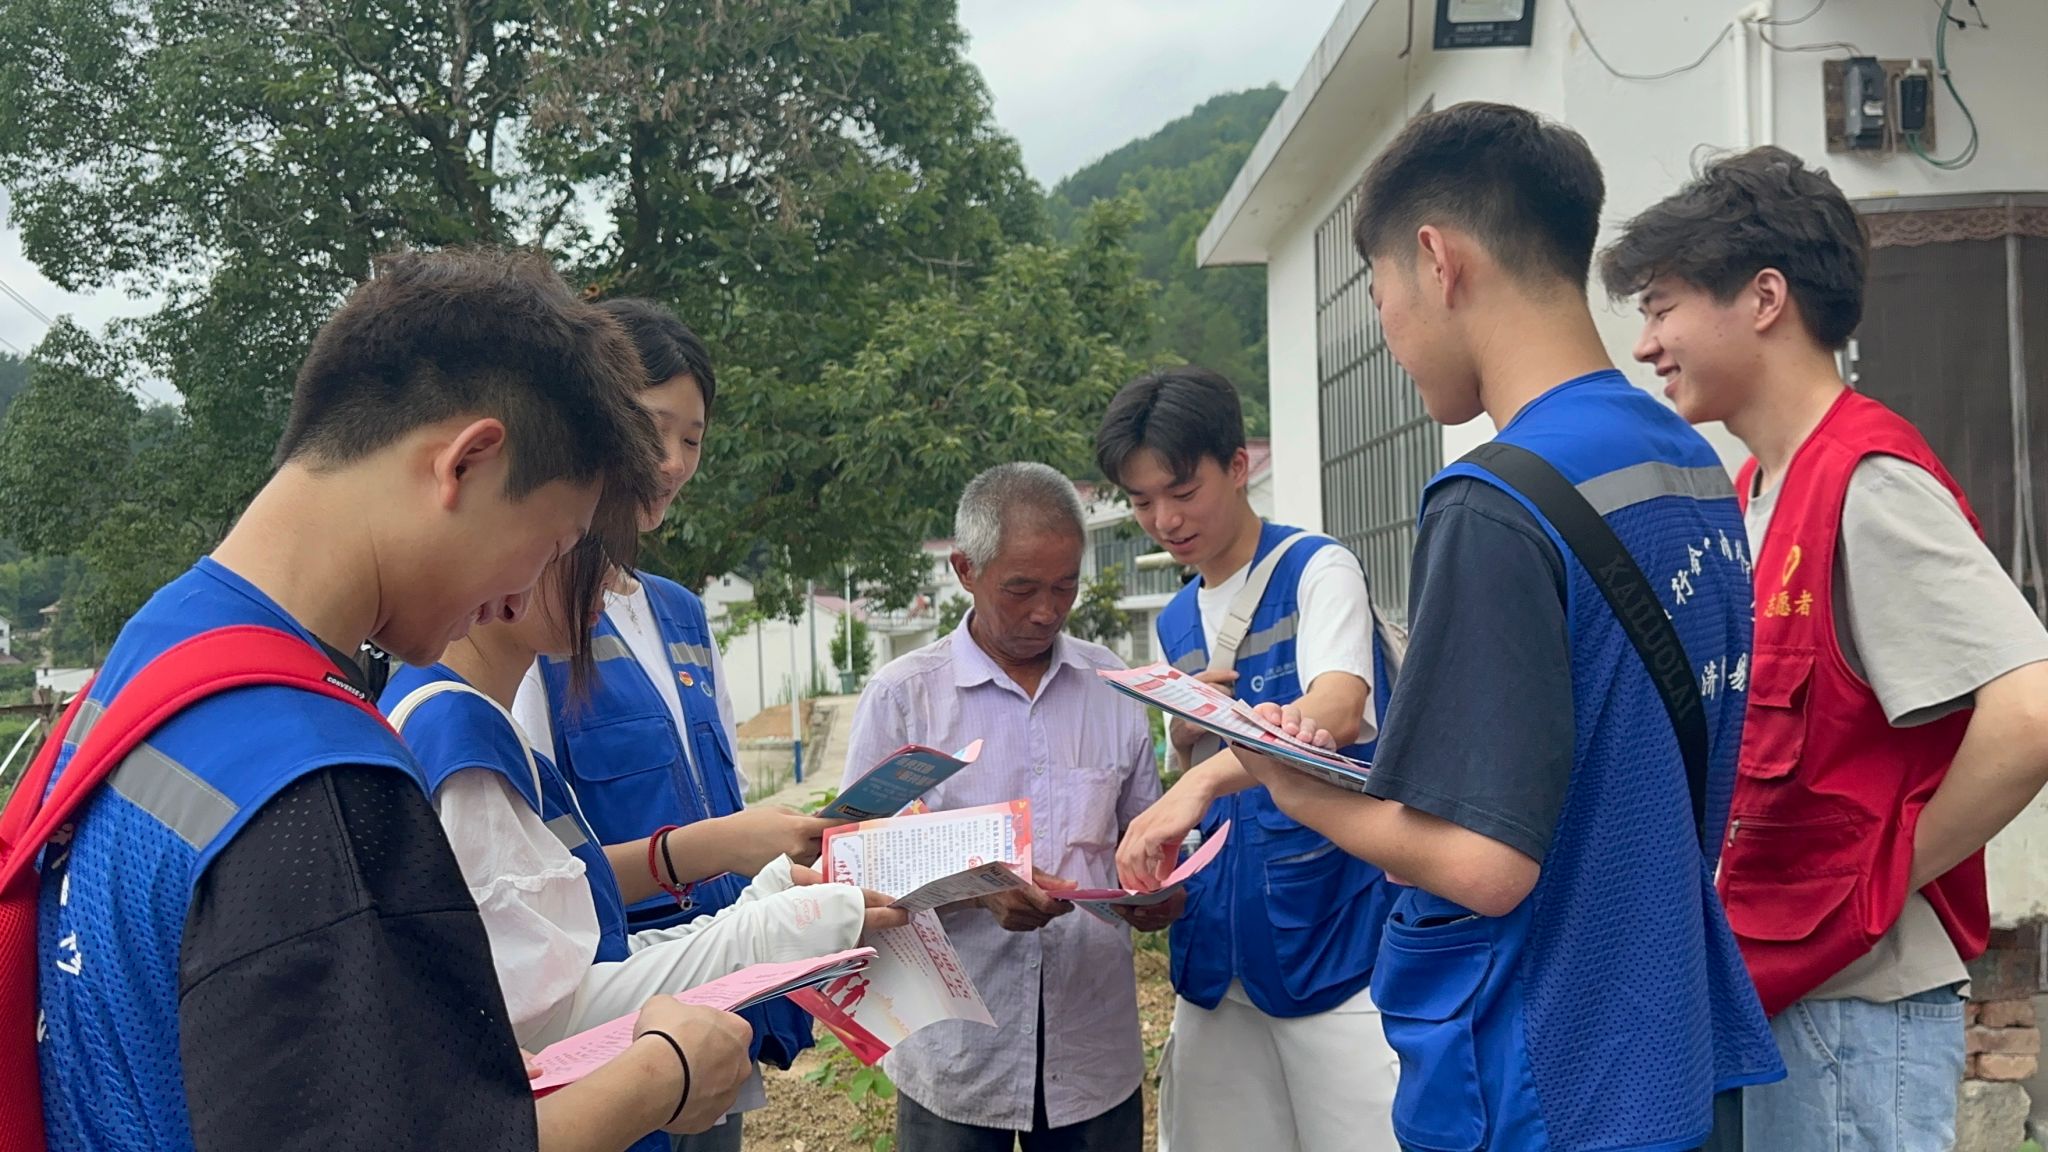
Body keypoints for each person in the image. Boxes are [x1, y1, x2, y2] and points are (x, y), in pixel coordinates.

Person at [1117, 102, 1785, 1152]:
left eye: (1378, 293)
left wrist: (1292, 783)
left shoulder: (1495, 501)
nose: (1387, 330)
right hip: (1667, 1040)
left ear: (1436, 260)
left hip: (1537, 1068)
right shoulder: (1686, 459)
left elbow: (1483, 863)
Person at [32, 248, 753, 1152]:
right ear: (468, 463)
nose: (521, 596)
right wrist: (662, 1076)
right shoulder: (321, 792)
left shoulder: (162, 646)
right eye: (553, 544)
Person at [1601, 146, 2048, 1152]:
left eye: (1662, 307)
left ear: (1764, 298)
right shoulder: (1756, 494)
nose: (1646, 344)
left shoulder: (1866, 483)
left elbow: (2029, 712)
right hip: (1784, 990)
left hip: (1855, 1009)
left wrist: (1877, 885)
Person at [382, 536, 906, 1063]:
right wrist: (777, 929)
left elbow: (589, 968)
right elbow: (550, 1028)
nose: (610, 578)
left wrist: (764, 906)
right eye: (577, 539)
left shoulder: (473, 724)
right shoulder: (464, 742)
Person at [512, 297, 831, 1148]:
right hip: (608, 1033)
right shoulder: (525, 625)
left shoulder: (682, 615)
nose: (673, 461)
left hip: (722, 1002)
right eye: (655, 429)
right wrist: (719, 846)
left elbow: (720, 793)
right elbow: (538, 879)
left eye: (693, 439)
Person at [1092, 366, 1400, 1152]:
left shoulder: (1317, 569)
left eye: (1182, 491)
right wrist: (1186, 746)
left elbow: (1338, 709)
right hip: (1218, 950)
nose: (1165, 520)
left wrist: (1200, 779)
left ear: (1238, 466)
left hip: (1335, 941)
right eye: (1140, 501)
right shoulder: (1176, 619)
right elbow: (1196, 777)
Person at [841, 462, 1164, 1152]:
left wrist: (1156, 890)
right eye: (1021, 589)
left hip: (1092, 1045)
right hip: (959, 1055)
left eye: (1065, 586)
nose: (1046, 610)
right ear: (965, 569)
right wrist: (980, 890)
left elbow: (1145, 836)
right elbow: (855, 864)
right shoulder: (905, 698)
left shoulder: (1114, 687)